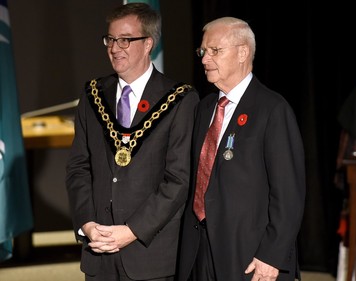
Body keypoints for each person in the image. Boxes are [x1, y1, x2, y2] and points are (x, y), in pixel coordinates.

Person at [65, 3, 199, 281]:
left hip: (149, 255)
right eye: (110, 39)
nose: (115, 48)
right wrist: (87, 225)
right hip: (98, 251)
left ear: (148, 43)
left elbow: (178, 180)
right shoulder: (93, 95)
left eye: (125, 39)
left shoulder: (180, 99)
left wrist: (131, 231)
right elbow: (79, 167)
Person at [177, 17, 306, 281]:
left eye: (215, 51)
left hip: (250, 256)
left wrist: (272, 256)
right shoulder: (204, 108)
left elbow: (289, 194)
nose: (204, 59)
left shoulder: (272, 109)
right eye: (203, 51)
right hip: (199, 251)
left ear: (243, 52)